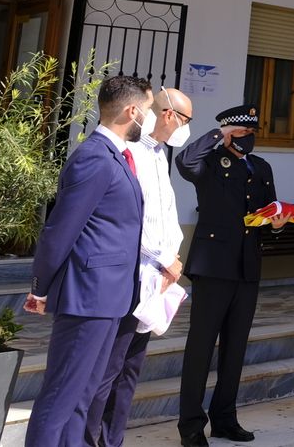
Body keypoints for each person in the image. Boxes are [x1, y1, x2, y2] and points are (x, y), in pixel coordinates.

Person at [22, 75, 153, 447]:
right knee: (61, 396)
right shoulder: (95, 156)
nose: (149, 119)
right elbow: (60, 229)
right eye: (147, 111)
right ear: (132, 111)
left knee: (83, 397)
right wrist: (41, 287)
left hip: (110, 297)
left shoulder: (116, 156)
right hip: (88, 297)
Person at [85, 86, 193, 447]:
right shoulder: (131, 150)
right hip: (132, 273)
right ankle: (89, 439)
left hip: (156, 277)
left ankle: (112, 440)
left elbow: (165, 214)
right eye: (186, 120)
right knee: (109, 368)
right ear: (169, 115)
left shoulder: (159, 154)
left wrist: (173, 260)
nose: (186, 128)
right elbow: (136, 217)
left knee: (130, 369)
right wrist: (164, 259)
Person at [176, 105, 282, 447]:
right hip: (213, 267)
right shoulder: (209, 161)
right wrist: (217, 136)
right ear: (228, 132)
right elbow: (184, 162)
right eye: (241, 132)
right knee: (201, 348)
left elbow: (269, 210)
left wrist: (276, 224)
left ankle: (224, 419)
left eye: (252, 132)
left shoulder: (261, 167)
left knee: (235, 349)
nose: (248, 137)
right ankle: (191, 426)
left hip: (247, 267)